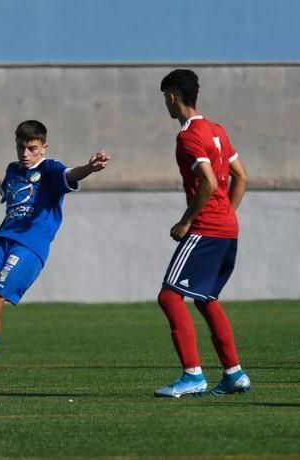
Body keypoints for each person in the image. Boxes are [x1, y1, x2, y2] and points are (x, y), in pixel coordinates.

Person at [0, 120, 111, 388]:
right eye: (20, 147)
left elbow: (70, 175)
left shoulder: (49, 169)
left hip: (30, 247)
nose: (25, 154)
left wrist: (90, 168)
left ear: (43, 148)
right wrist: (3, 185)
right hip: (2, 239)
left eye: (31, 148)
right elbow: (8, 187)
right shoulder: (13, 170)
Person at [154, 69, 251, 398]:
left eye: (164, 99)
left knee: (169, 296)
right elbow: (242, 177)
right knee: (206, 300)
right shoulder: (217, 130)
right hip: (227, 229)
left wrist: (186, 221)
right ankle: (234, 374)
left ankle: (192, 375)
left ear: (172, 96)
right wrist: (226, 215)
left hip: (206, 228)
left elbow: (209, 182)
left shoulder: (188, 135)